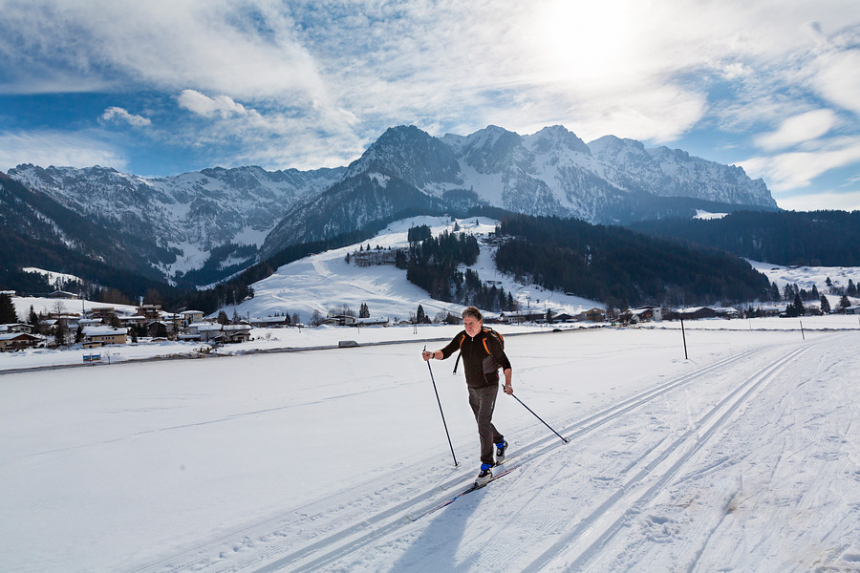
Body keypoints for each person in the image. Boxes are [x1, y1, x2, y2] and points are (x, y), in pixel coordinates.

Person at [422, 306, 512, 486]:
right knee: (482, 422)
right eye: (465, 323)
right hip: (472, 387)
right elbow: (446, 352)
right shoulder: (462, 337)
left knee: (483, 424)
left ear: (480, 322)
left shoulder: (490, 339)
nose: (468, 326)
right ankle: (500, 442)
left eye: (471, 323)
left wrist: (508, 383)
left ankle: (486, 466)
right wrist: (432, 355)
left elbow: (505, 363)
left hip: (489, 386)